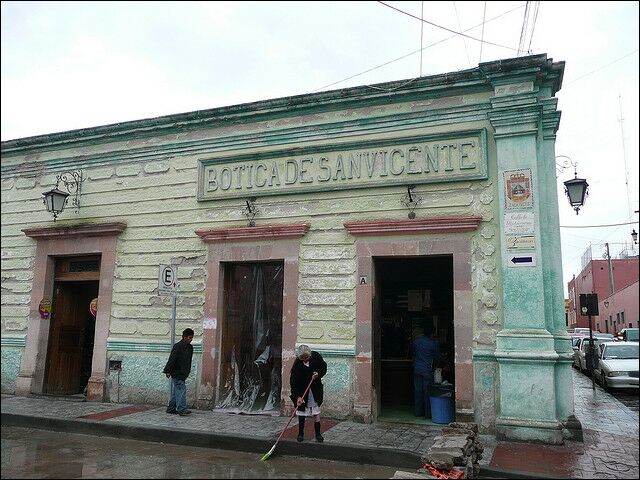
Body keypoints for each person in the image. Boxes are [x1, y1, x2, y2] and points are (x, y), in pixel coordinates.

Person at [289, 344, 327, 442]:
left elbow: (323, 367)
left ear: (310, 354)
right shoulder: (297, 365)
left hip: (314, 390)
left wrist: (318, 374)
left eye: (307, 357)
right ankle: (300, 434)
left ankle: (318, 434)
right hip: (302, 391)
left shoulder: (316, 357)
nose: (305, 359)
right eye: (302, 358)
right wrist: (297, 397)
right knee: (301, 412)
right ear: (299, 357)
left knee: (316, 411)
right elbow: (294, 383)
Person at [163, 328, 194, 416]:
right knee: (181, 389)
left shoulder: (190, 347)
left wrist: (187, 371)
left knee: (177, 391)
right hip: (176, 372)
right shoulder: (177, 346)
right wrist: (167, 370)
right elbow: (172, 359)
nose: (191, 339)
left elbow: (188, 361)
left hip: (184, 373)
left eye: (192, 338)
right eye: (189, 337)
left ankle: (171, 408)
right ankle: (182, 409)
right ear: (184, 337)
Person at [412, 323, 439, 419]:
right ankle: (428, 413)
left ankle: (418, 412)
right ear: (432, 333)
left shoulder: (416, 341)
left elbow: (413, 354)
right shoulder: (433, 343)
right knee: (427, 392)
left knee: (418, 391)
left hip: (417, 369)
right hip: (427, 370)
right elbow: (437, 358)